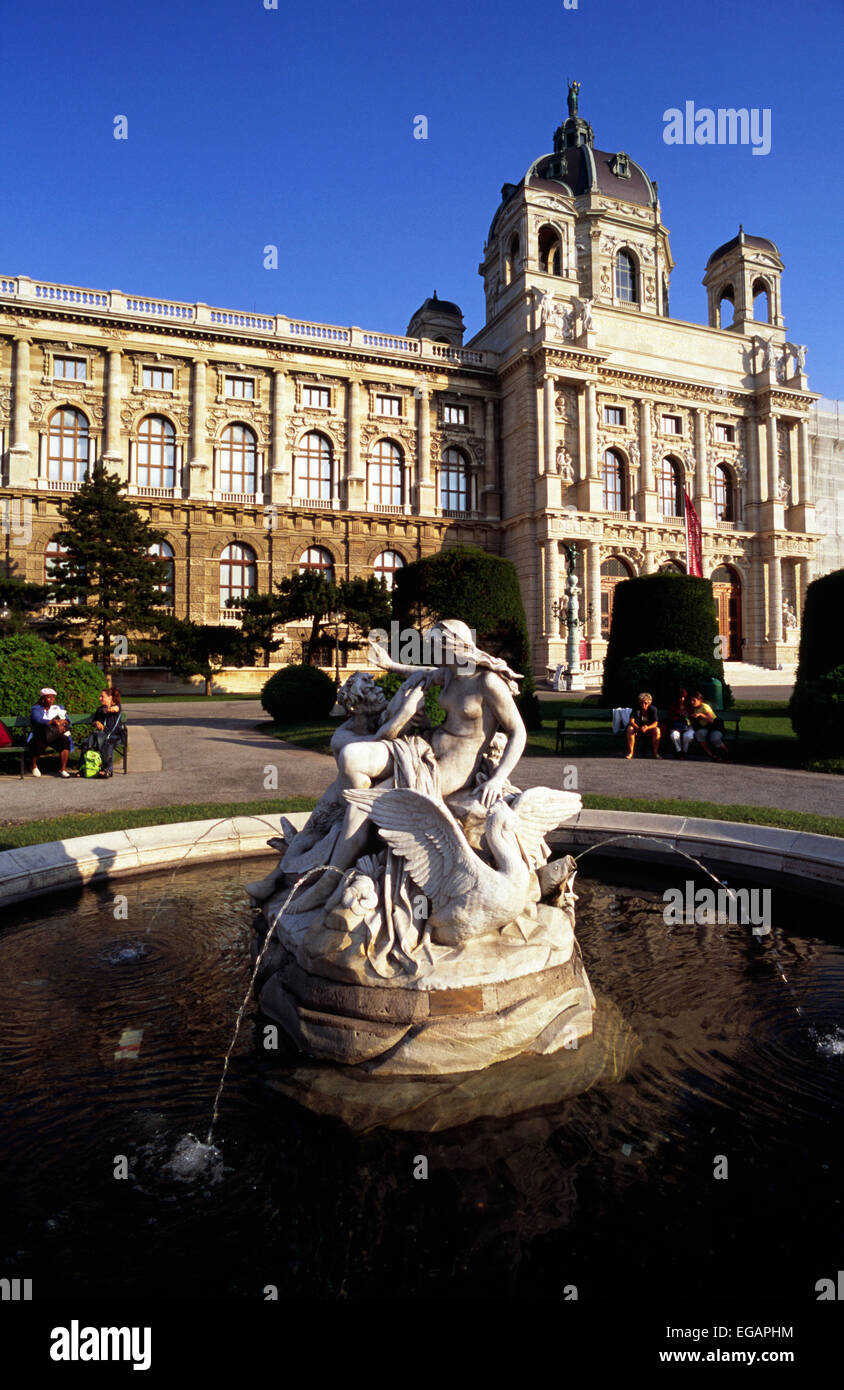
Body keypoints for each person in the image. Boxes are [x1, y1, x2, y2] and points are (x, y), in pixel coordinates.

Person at [27, 687, 73, 777]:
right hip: (41, 734)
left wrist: (63, 722)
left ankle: (63, 769)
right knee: (41, 741)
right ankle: (33, 765)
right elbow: (37, 720)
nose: (52, 700)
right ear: (43, 699)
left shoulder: (58, 708)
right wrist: (52, 721)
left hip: (55, 734)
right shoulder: (36, 709)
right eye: (49, 697)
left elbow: (68, 720)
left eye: (53, 697)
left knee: (65, 740)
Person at [86, 687, 124, 777]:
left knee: (108, 744)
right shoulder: (100, 709)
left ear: (110, 697)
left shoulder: (117, 706)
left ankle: (107, 770)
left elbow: (116, 709)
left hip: (116, 736)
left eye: (102, 696)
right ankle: (83, 768)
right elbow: (94, 721)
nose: (100, 698)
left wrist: (109, 709)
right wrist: (97, 723)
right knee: (86, 743)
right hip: (103, 735)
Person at [689, 691, 728, 759]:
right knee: (699, 734)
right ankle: (710, 754)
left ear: (700, 700)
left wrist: (701, 715)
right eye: (691, 700)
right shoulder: (695, 708)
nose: (692, 702)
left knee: (714, 738)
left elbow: (711, 720)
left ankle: (727, 753)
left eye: (694, 700)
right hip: (706, 728)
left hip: (715, 727)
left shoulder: (705, 707)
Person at [625, 691, 660, 759]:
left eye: (645, 703)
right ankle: (631, 753)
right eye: (641, 703)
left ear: (649, 703)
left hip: (648, 729)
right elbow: (631, 721)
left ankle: (655, 753)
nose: (643, 705)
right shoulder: (636, 708)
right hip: (637, 728)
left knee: (657, 730)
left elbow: (655, 723)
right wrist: (639, 728)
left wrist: (647, 727)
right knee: (630, 729)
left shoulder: (653, 709)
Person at [666, 687, 693, 757]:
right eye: (680, 697)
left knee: (689, 736)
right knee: (674, 736)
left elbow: (692, 718)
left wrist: (688, 717)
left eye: (684, 697)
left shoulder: (689, 707)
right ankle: (679, 750)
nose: (682, 699)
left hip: (687, 726)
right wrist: (678, 716)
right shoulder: (673, 706)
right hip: (675, 726)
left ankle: (684, 750)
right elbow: (670, 718)